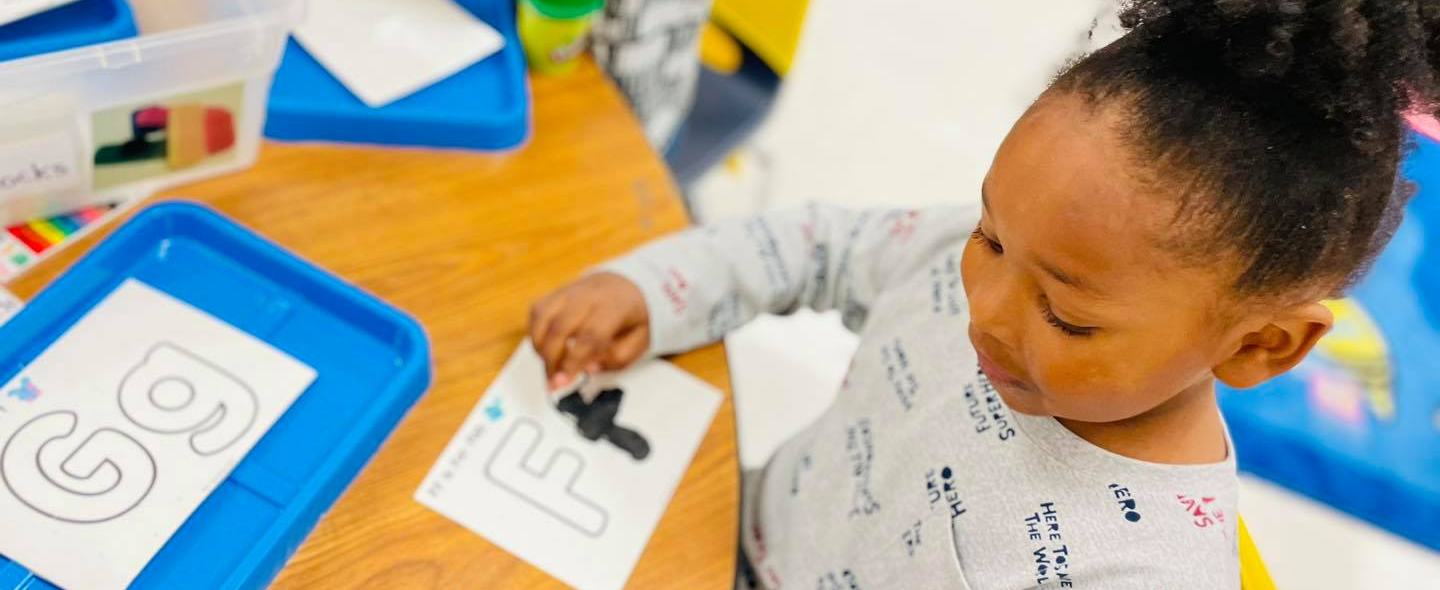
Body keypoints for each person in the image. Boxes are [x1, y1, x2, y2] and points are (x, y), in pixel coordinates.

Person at [529, 1, 1439, 587]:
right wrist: (653, 287)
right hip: (700, 529)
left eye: (1068, 317)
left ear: (1259, 347)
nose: (986, 316)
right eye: (988, 234)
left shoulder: (1142, 570)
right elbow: (818, 244)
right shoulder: (1020, 265)